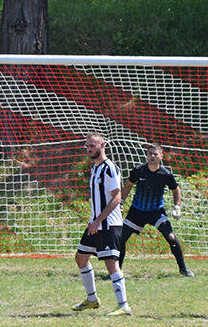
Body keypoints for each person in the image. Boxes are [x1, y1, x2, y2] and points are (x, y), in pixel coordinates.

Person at [72, 132, 132, 316]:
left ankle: (123, 306)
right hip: (95, 224)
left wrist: (99, 220)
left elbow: (117, 196)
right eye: (87, 146)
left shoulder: (109, 168)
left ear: (102, 145)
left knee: (111, 264)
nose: (89, 149)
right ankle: (92, 299)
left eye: (93, 145)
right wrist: (94, 220)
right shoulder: (95, 169)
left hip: (108, 225)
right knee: (81, 258)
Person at [119, 143, 194, 277]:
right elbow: (128, 185)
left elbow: (176, 190)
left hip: (156, 212)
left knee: (171, 237)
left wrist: (177, 206)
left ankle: (183, 269)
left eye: (155, 154)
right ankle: (116, 271)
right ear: (146, 155)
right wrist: (121, 202)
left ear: (161, 156)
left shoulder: (166, 174)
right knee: (120, 238)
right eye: (150, 154)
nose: (152, 156)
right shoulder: (138, 170)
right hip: (137, 211)